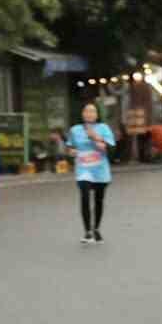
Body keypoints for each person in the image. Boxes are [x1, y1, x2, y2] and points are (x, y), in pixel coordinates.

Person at [65, 102, 117, 245]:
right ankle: (87, 231)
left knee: (98, 200)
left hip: (100, 170)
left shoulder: (103, 128)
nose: (89, 114)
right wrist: (72, 152)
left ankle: (96, 229)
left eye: (92, 111)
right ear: (82, 114)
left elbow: (110, 148)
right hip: (83, 169)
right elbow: (69, 146)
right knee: (85, 197)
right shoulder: (74, 130)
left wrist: (95, 137)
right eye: (87, 111)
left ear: (97, 114)